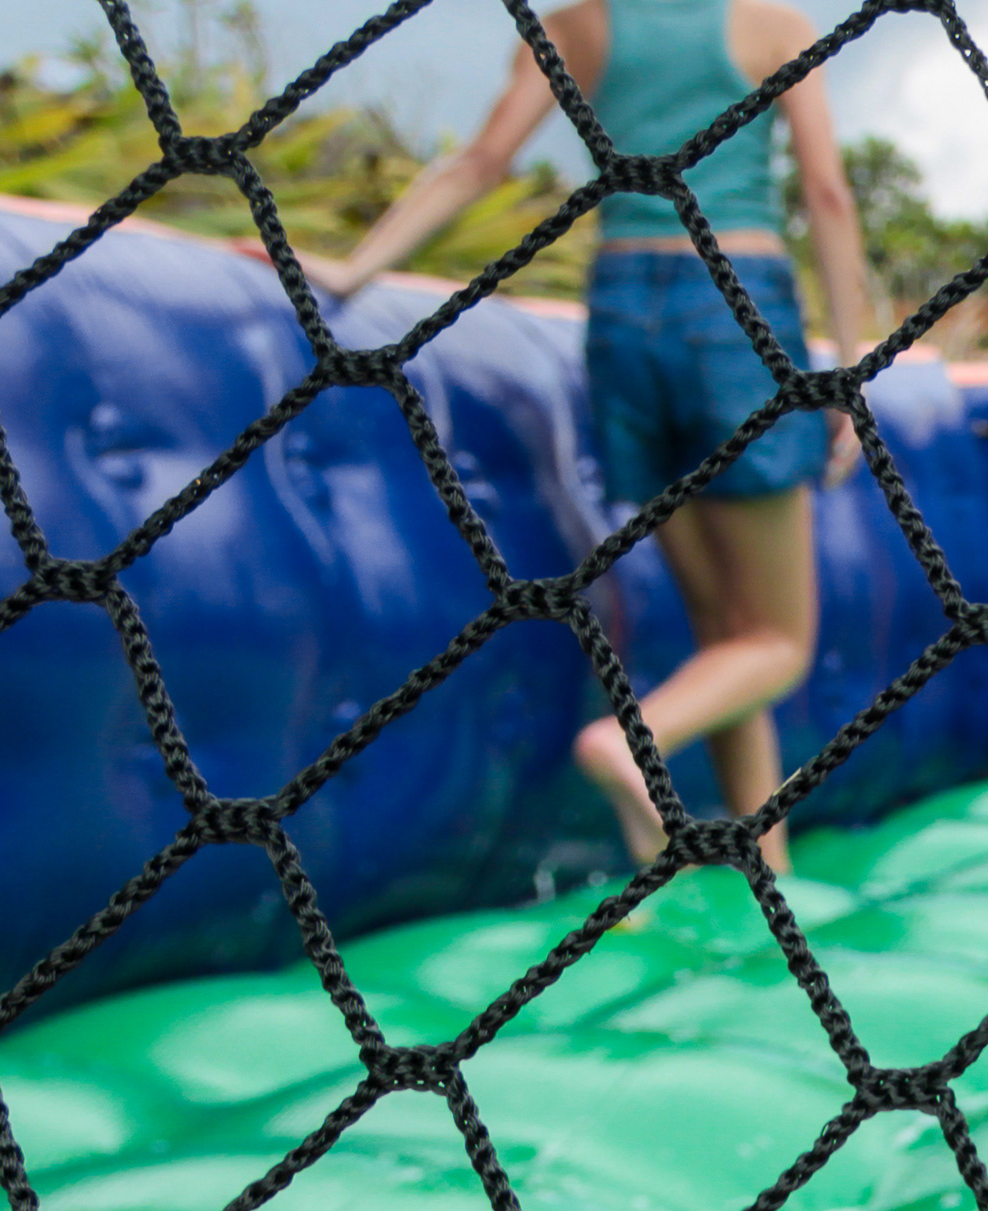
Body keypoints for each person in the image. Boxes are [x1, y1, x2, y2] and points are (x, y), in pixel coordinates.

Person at [304, 0, 878, 877]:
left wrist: (352, 270)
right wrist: (855, 363)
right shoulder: (772, 24)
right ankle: (630, 742)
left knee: (726, 631)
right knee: (779, 643)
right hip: (736, 304)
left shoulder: (576, 24)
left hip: (620, 314)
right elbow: (828, 195)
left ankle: (769, 863)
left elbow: (483, 160)